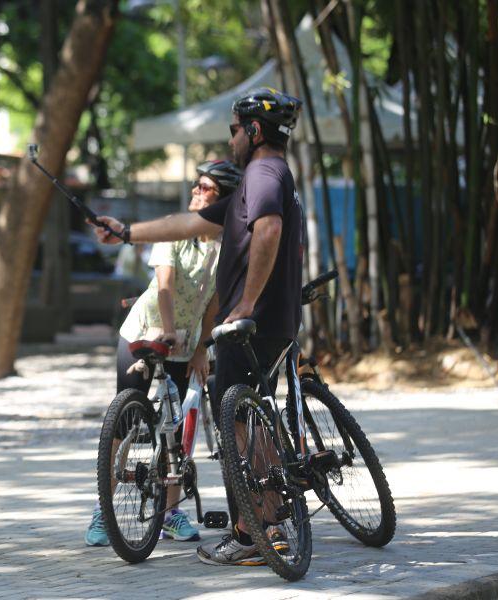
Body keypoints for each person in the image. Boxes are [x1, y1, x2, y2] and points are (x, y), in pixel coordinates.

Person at [91, 87, 304, 567]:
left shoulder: (262, 174)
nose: (231, 141)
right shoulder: (270, 177)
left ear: (253, 131)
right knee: (249, 421)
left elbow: (268, 230)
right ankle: (271, 523)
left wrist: (246, 302)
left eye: (234, 131)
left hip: (251, 323)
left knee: (237, 425)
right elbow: (185, 224)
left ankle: (256, 531)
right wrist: (125, 231)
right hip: (269, 322)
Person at [85, 159, 244, 547]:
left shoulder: (227, 246)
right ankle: (104, 512)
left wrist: (202, 349)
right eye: (196, 185)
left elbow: (213, 303)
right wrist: (168, 330)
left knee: (179, 429)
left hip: (186, 346)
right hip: (146, 335)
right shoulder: (173, 233)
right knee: (124, 425)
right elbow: (165, 287)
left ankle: (170, 511)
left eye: (205, 188)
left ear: (221, 200)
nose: (196, 192)